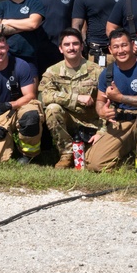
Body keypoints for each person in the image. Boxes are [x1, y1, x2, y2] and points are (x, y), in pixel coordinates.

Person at [85, 29, 137, 180]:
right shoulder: (107, 73)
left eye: (124, 45)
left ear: (132, 45)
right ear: (110, 49)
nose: (120, 50)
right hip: (121, 122)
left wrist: (121, 97)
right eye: (116, 47)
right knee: (94, 164)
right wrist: (101, 111)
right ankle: (129, 155)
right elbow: (100, 101)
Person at [0, 32, 43, 164]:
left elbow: (30, 95)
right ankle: (9, 144)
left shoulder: (21, 65)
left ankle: (29, 154)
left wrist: (10, 105)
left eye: (2, 47)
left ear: (7, 47)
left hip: (20, 108)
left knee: (31, 115)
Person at [37, 28, 102, 168]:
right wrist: (76, 98)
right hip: (67, 123)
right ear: (60, 49)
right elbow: (45, 96)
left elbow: (108, 102)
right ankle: (66, 154)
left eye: (75, 44)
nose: (71, 48)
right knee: (52, 109)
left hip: (91, 123)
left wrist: (102, 131)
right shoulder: (52, 71)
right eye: (67, 45)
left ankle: (87, 149)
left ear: (82, 46)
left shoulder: (97, 71)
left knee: (94, 163)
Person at [0, 0, 50, 72]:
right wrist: (26, 26)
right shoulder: (1, 6)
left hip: (30, 56)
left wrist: (8, 21)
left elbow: (33, 24)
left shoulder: (34, 3)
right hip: (7, 57)